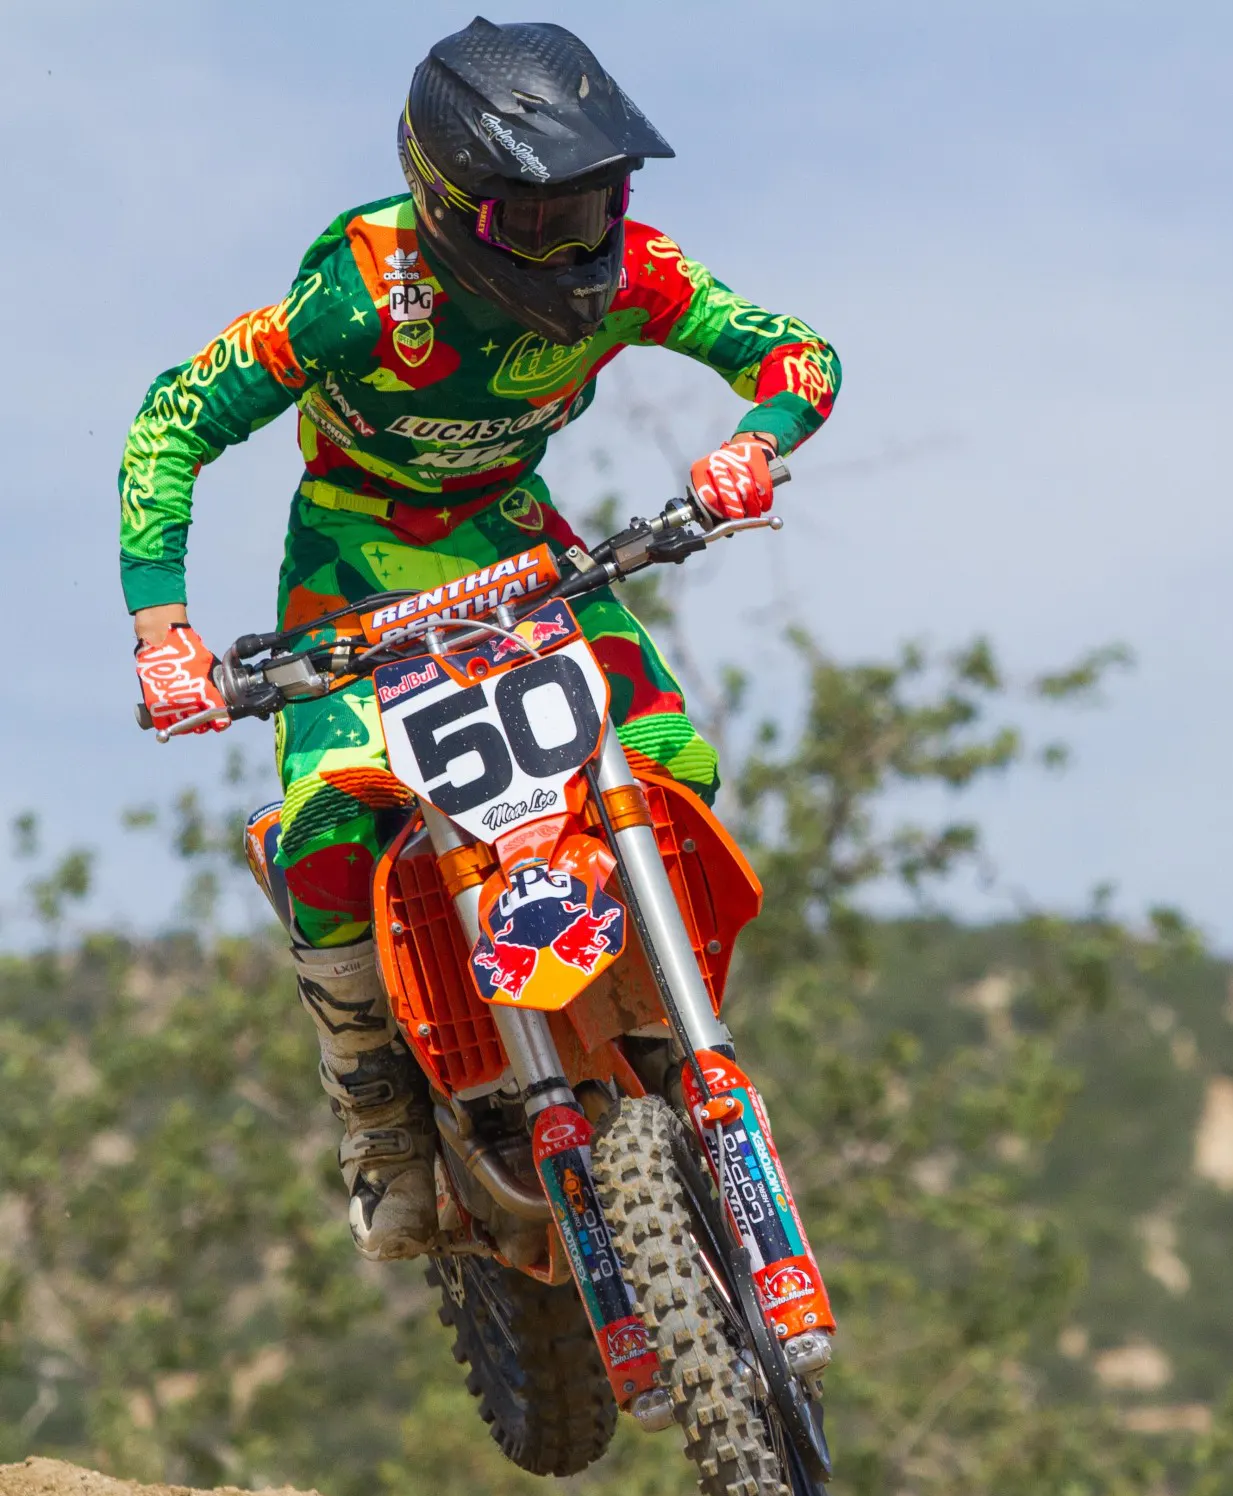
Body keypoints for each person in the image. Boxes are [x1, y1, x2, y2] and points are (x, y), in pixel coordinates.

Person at [117, 17, 840, 1261]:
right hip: (351, 564)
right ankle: (376, 1112)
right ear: (453, 209)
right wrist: (162, 630)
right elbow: (172, 418)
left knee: (672, 756)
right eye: (543, 219)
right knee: (330, 828)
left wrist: (754, 443)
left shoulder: (638, 271)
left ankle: (654, 1013)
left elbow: (796, 353)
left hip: (518, 540)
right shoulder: (356, 295)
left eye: (596, 205)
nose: (580, 244)